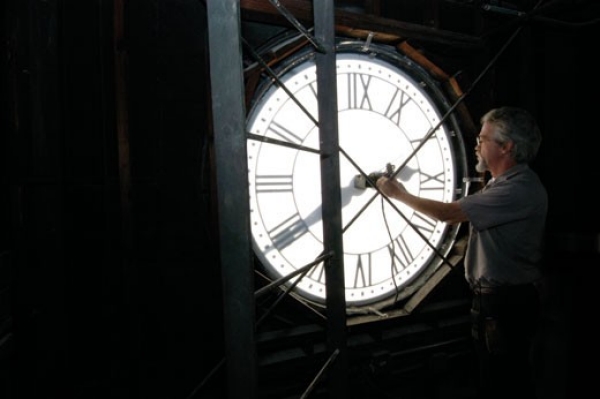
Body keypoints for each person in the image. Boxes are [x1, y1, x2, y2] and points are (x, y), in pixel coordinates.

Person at [376, 106, 547, 399]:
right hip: (500, 303)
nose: (476, 145)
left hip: (506, 306)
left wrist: (398, 194)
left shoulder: (517, 190)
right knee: (500, 379)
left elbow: (448, 213)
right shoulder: (505, 185)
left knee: (505, 383)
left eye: (483, 139)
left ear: (507, 147)